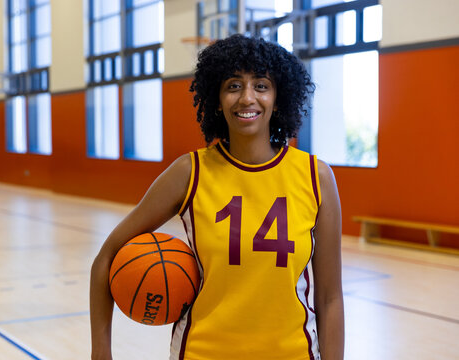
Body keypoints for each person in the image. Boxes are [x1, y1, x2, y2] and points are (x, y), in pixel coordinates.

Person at [90, 34, 344, 360]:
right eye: (233, 85)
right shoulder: (190, 173)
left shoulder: (315, 177)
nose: (247, 98)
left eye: (262, 85)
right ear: (217, 97)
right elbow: (106, 258)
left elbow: (330, 298)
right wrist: (101, 351)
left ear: (279, 98)